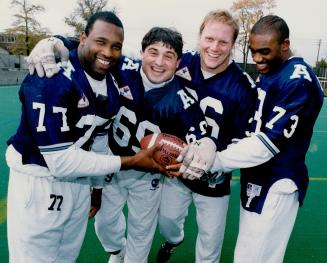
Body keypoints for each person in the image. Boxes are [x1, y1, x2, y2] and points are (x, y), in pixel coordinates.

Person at [5, 11, 167, 263]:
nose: (108, 52)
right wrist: (130, 161)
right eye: (100, 42)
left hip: (80, 183)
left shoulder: (112, 77)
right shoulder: (52, 77)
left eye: (116, 46)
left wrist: (97, 186)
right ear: (83, 38)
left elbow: (98, 140)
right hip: (40, 179)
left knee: (67, 257)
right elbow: (59, 161)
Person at [178, 15, 324, 263]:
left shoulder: (298, 79)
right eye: (253, 51)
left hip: (277, 180)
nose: (257, 59)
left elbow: (268, 143)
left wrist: (212, 160)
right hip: (257, 176)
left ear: (285, 45)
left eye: (264, 51)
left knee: (253, 257)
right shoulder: (275, 70)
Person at [156, 10, 257, 263]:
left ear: (233, 45)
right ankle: (174, 240)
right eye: (209, 39)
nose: (214, 47)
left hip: (214, 178)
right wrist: (59, 42)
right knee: (166, 223)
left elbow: (243, 140)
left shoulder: (243, 87)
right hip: (176, 166)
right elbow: (138, 65)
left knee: (210, 244)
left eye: (223, 42)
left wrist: (216, 157)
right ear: (200, 37)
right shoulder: (181, 63)